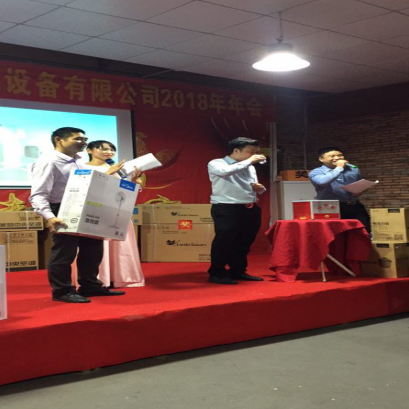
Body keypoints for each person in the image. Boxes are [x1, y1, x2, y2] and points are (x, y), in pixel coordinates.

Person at [29, 127, 125, 303]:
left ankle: (90, 286)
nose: (83, 142)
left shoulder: (80, 161)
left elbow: (89, 183)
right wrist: (50, 216)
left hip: (84, 206)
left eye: (85, 139)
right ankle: (62, 291)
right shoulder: (48, 162)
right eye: (78, 139)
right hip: (61, 208)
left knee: (93, 250)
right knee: (64, 252)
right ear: (59, 140)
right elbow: (38, 195)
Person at [82, 140, 145, 288]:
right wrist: (109, 172)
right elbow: (85, 187)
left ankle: (118, 277)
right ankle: (96, 279)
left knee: (119, 247)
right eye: (103, 149)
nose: (109, 152)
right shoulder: (81, 167)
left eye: (111, 149)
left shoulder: (116, 169)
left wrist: (134, 182)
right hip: (94, 213)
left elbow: (123, 192)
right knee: (95, 248)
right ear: (89, 150)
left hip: (117, 212)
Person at [207, 137, 267, 285]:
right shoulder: (217, 163)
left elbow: (251, 186)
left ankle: (238, 270)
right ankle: (217, 273)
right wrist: (249, 161)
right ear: (236, 150)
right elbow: (224, 172)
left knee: (244, 242)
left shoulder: (250, 166)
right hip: (226, 208)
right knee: (224, 241)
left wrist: (260, 189)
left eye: (255, 152)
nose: (254, 155)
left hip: (250, 207)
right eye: (250, 151)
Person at [309, 147, 371, 233]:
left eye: (340, 155)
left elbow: (361, 183)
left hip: (355, 205)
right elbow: (322, 182)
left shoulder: (353, 168)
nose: (337, 158)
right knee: (337, 234)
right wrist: (339, 168)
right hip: (330, 208)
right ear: (321, 159)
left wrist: (360, 191)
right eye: (332, 156)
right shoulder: (316, 172)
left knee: (363, 232)